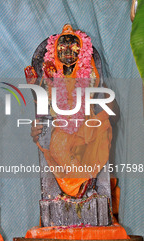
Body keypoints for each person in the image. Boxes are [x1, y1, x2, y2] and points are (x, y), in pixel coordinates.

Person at [27, 24, 119, 198]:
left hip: (87, 128)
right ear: (55, 51)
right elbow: (44, 110)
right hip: (59, 128)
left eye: (73, 46)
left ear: (81, 51)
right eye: (63, 46)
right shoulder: (50, 76)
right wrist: (34, 87)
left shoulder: (90, 73)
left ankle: (82, 183)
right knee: (54, 147)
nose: (68, 50)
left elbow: (106, 106)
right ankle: (81, 183)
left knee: (59, 146)